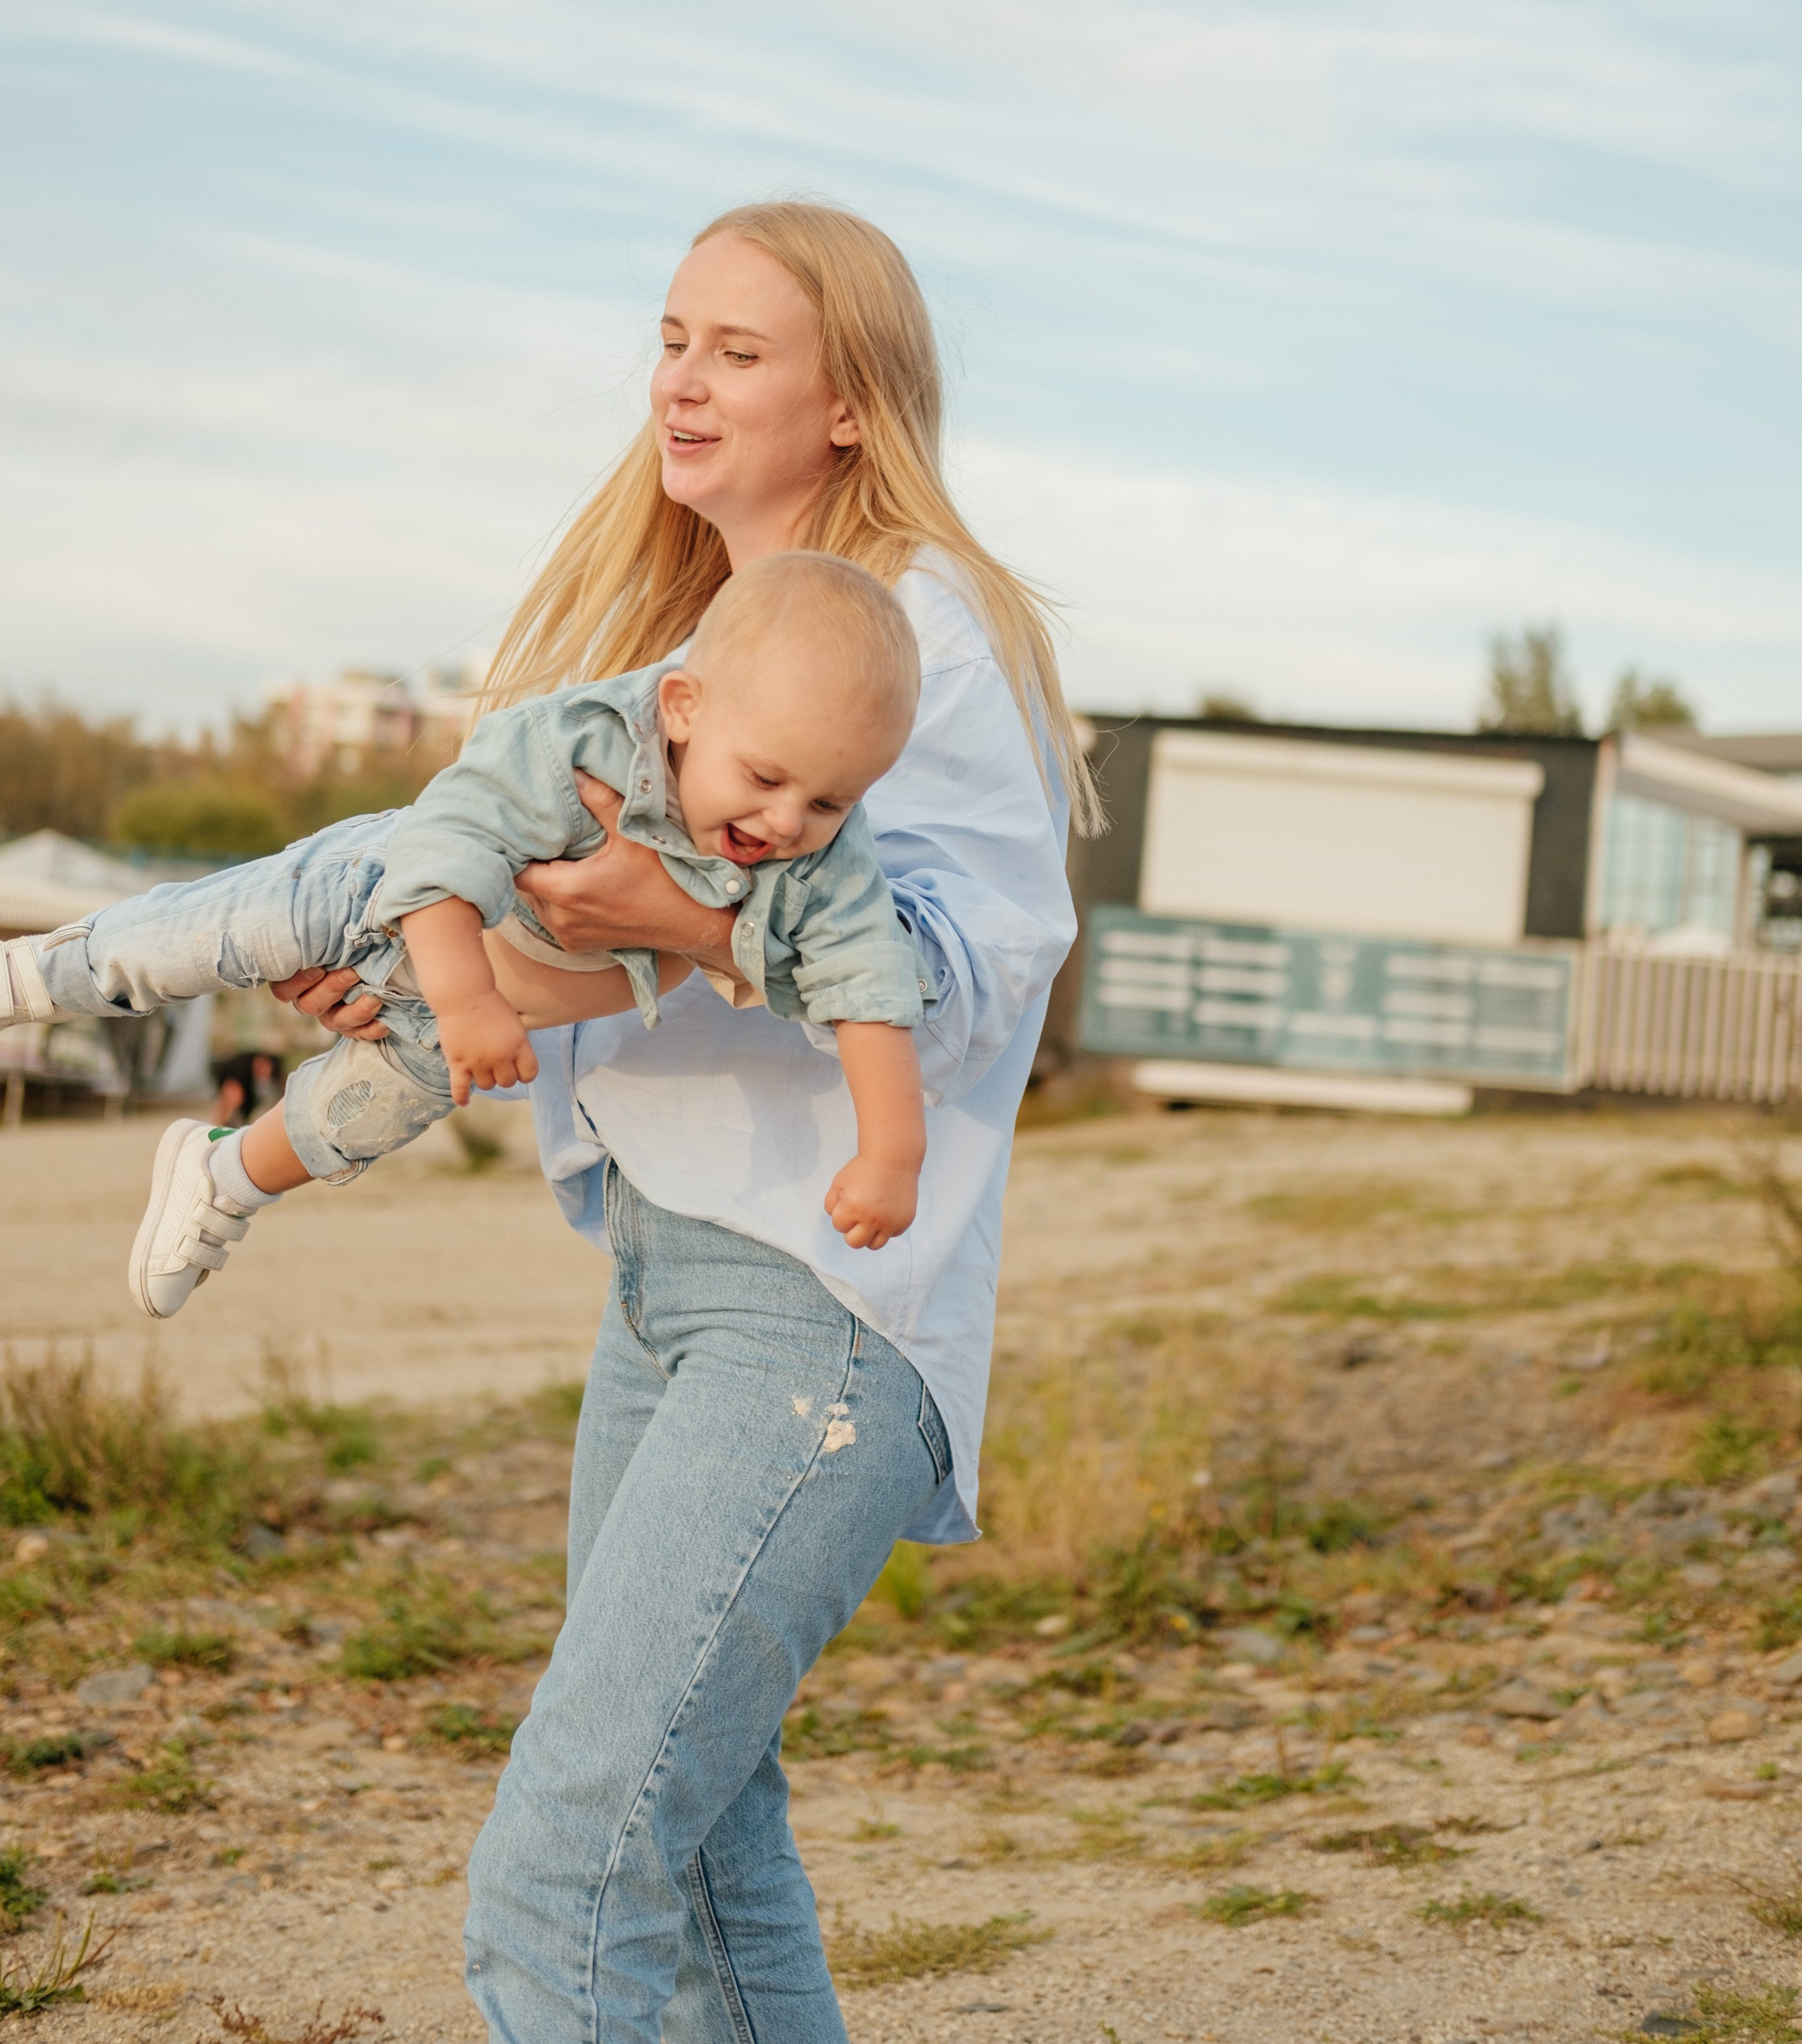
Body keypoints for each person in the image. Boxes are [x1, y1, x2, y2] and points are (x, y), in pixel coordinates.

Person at [274, 202, 1095, 2044]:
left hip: (816, 1311)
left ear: (852, 409)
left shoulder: (915, 640)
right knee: (708, 1856)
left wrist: (699, 928)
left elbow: (960, 969)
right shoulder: (688, 647)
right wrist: (418, 978)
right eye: (671, 338)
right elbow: (605, 967)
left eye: (738, 349)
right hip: (667, 1293)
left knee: (566, 1874)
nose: (682, 379)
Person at [0, 555, 939, 1317]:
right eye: (766, 778)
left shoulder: (826, 861)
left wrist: (893, 1153)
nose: (785, 823)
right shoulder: (586, 741)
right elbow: (452, 843)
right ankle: (32, 982)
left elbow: (872, 990)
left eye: (829, 801)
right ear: (686, 708)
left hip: (472, 1017)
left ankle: (223, 1179)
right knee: (202, 938)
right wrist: (465, 1000)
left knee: (352, 1124)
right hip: (390, 904)